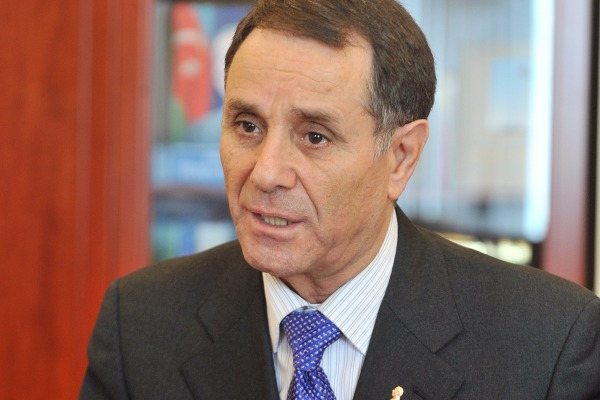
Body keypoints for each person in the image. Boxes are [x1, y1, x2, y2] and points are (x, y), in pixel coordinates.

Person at [80, 0, 600, 399]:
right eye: (247, 125)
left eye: (314, 137)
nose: (266, 173)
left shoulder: (548, 344)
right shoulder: (142, 324)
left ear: (400, 157)